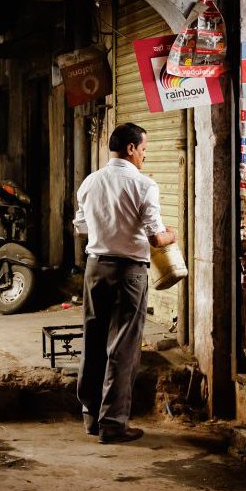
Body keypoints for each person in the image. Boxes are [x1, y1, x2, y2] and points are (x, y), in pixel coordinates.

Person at [73, 122, 176, 444]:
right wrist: (171, 236)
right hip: (129, 272)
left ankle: (91, 418)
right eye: (143, 150)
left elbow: (80, 226)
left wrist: (108, 228)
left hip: (95, 268)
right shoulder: (144, 185)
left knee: (94, 341)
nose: (144, 156)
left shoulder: (91, 182)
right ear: (131, 148)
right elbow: (155, 235)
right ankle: (114, 424)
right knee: (123, 349)